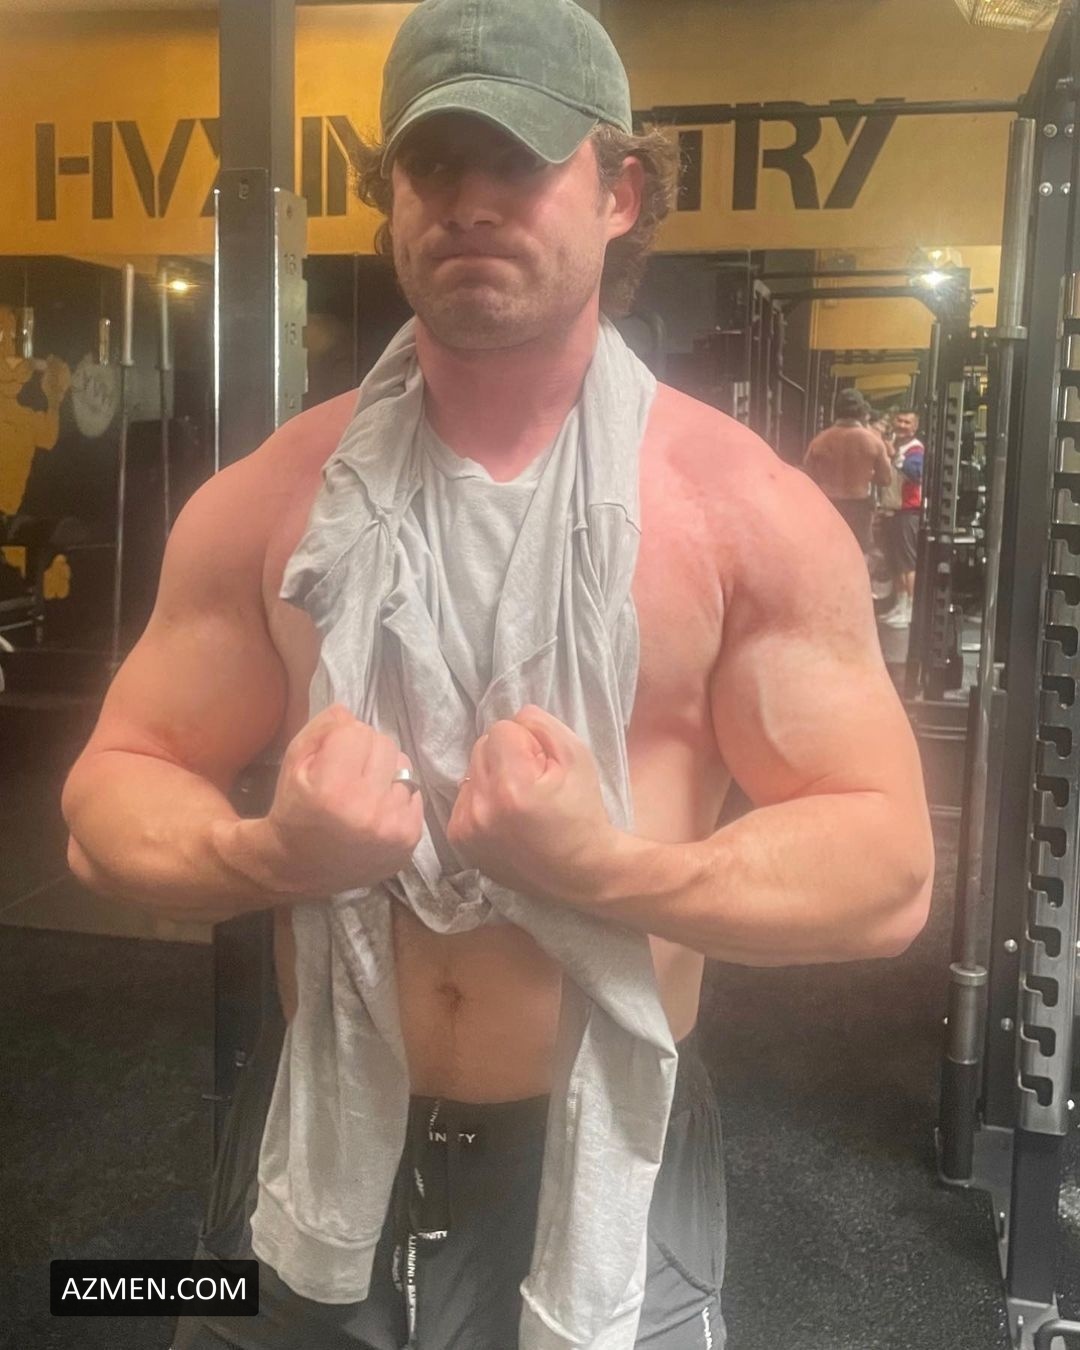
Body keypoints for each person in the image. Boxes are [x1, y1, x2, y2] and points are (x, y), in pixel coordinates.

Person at [60, 1, 934, 1346]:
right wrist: (271, 854)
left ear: (620, 191)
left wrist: (605, 870)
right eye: (431, 163)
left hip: (603, 1144)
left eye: (517, 162)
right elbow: (110, 798)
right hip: (317, 1114)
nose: (469, 201)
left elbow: (888, 874)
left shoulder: (741, 511)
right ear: (390, 200)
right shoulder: (276, 497)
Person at [802, 388, 893, 554]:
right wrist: (865, 474)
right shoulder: (873, 441)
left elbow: (807, 477)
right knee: (858, 555)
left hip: (828, 505)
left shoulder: (819, 440)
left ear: (836, 410)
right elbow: (886, 479)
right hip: (859, 507)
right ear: (862, 412)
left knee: (827, 553)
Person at [881, 409, 925, 629]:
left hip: (908, 511)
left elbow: (916, 474)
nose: (902, 425)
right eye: (899, 420)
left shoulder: (915, 449)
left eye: (907, 422)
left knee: (907, 563)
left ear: (914, 427)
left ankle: (910, 610)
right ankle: (900, 605)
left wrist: (896, 457)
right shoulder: (895, 446)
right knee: (896, 563)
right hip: (893, 510)